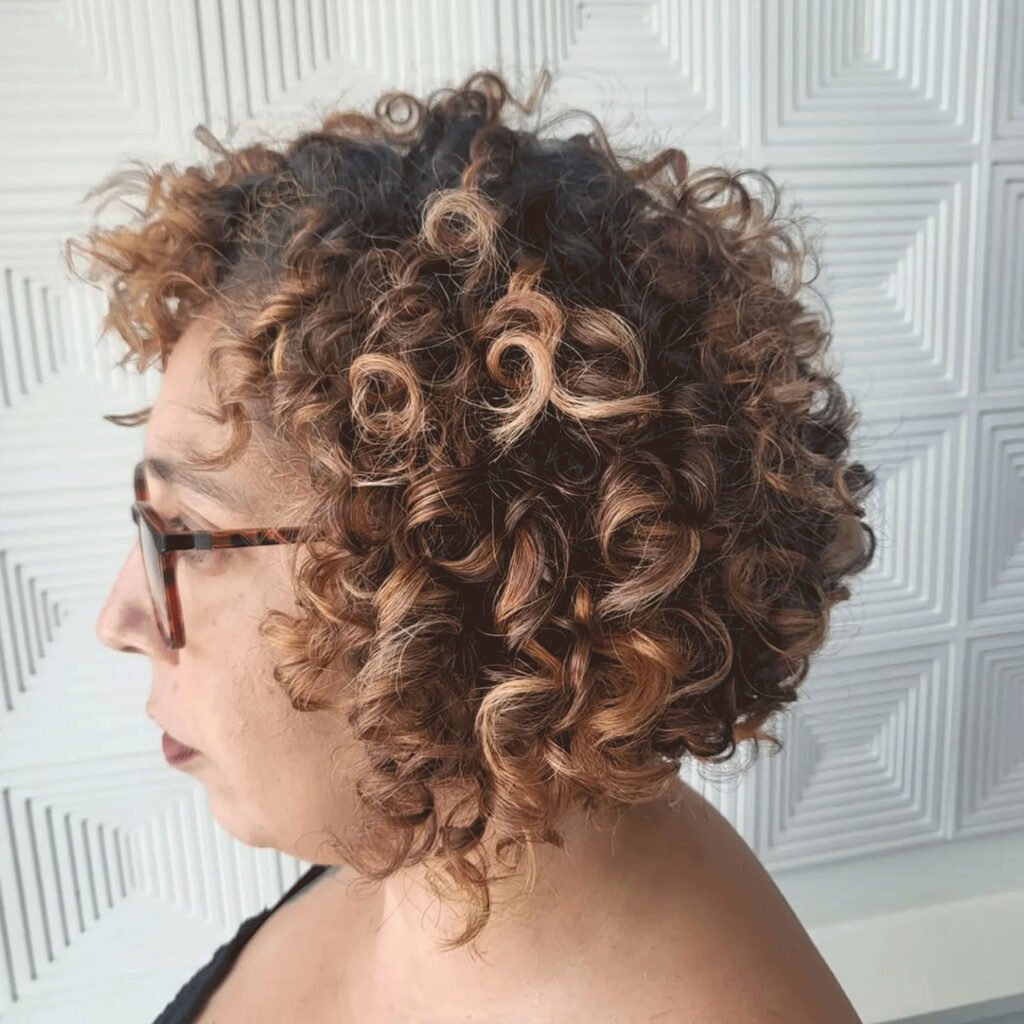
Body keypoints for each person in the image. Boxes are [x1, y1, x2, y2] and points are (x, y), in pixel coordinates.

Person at [70, 67, 875, 1023]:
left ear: (461, 577)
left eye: (192, 538)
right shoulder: (406, 840)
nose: (119, 619)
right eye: (148, 519)